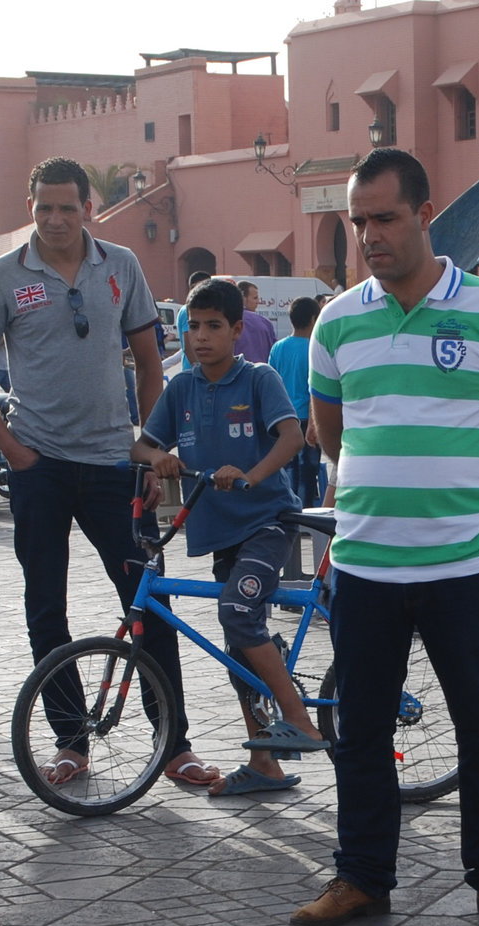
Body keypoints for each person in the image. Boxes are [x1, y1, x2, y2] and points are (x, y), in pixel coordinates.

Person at [291, 147, 479, 926]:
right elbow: (330, 434)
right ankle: (362, 876)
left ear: (425, 214)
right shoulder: (336, 323)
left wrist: (457, 473)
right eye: (358, 220)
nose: (370, 234)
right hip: (367, 564)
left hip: (463, 563)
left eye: (385, 217)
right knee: (361, 728)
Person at [0, 157, 217, 788]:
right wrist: (15, 451)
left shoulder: (120, 266)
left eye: (66, 207)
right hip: (39, 467)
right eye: (43, 207)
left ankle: (173, 743)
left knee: (146, 605)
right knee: (46, 606)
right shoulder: (3, 276)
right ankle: (71, 742)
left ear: (88, 209)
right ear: (30, 208)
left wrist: (150, 449)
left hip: (111, 465)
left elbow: (152, 366)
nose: (54, 219)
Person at [132, 278, 324, 797]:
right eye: (192, 326)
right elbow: (141, 447)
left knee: (237, 615)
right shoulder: (181, 390)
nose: (201, 337)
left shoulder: (258, 379)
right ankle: (264, 764)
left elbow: (290, 437)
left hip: (266, 524)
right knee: (240, 646)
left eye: (214, 326)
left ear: (238, 330)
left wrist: (251, 475)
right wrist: (160, 458)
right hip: (219, 534)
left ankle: (299, 719)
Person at [270, 295, 325, 508]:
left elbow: (272, 382)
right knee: (308, 472)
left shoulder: (278, 348)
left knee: (286, 469)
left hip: (282, 418)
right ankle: (305, 514)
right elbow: (316, 389)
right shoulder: (314, 349)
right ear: (313, 319)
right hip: (306, 417)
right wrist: (314, 422)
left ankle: (287, 509)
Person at [234, 281, 277, 364]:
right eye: (255, 298)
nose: (258, 301)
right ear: (243, 298)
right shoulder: (265, 323)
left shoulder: (227, 321)